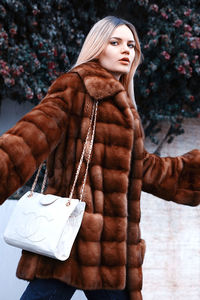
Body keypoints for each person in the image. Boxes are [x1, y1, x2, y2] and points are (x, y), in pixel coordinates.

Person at [0, 15, 200, 300]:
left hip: (110, 249)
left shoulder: (125, 108)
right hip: (70, 239)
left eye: (131, 45)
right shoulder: (75, 87)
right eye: (115, 42)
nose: (125, 50)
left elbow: (143, 168)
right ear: (97, 47)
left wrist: (191, 173)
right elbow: (27, 139)